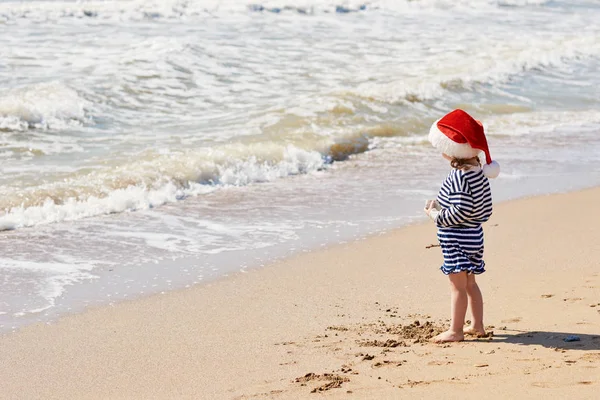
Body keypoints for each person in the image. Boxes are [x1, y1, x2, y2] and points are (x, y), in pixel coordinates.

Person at [424, 109, 500, 343]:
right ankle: (477, 325)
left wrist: (436, 215)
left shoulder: (460, 176)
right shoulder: (477, 172)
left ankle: (456, 331)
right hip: (474, 235)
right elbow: (483, 209)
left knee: (457, 286)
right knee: (470, 282)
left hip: (456, 239)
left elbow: (460, 210)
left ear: (451, 150)